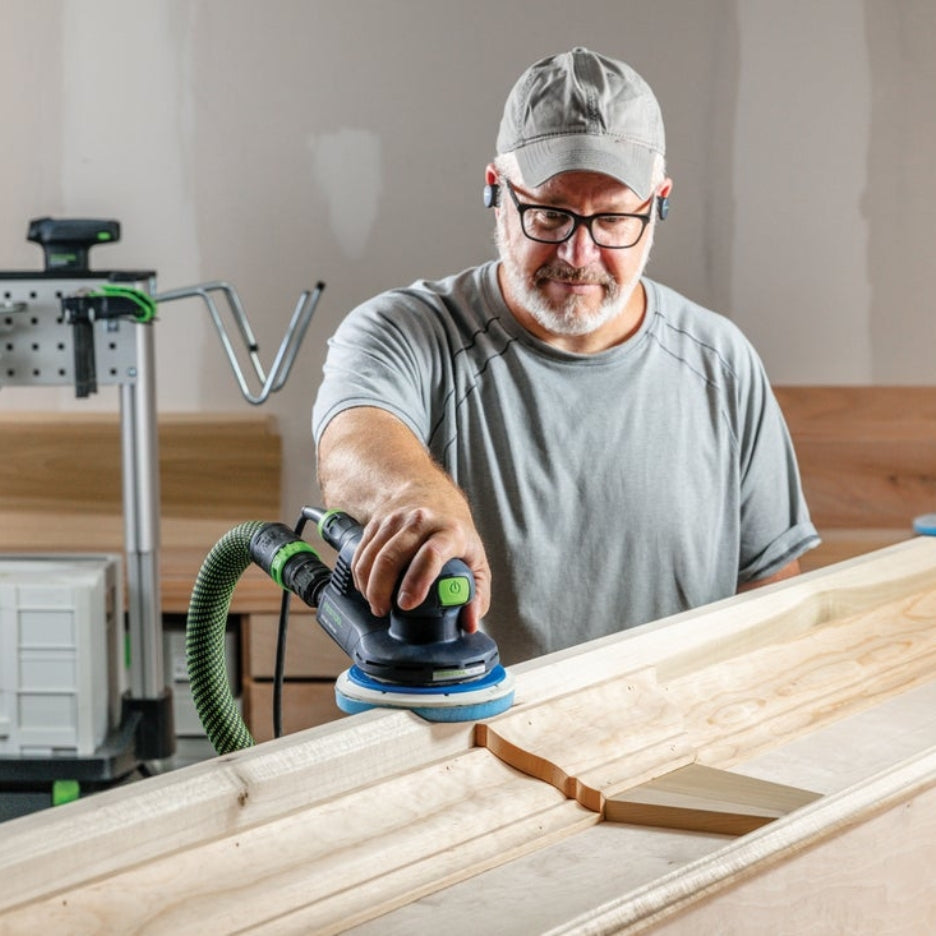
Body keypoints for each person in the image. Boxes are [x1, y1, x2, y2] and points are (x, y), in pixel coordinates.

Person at [312, 47, 819, 665]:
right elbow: (353, 444)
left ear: (658, 203)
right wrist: (422, 501)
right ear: (497, 192)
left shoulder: (722, 363)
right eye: (550, 214)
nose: (579, 255)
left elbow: (770, 599)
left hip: (680, 723)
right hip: (479, 725)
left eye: (613, 220)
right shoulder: (406, 331)